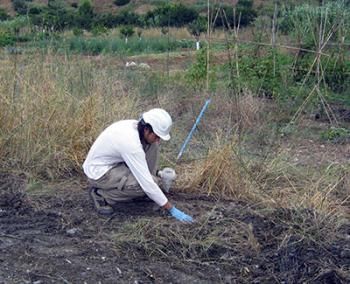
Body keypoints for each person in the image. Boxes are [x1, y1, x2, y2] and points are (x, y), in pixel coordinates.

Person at [83, 108, 193, 223]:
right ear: (146, 129)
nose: (158, 140)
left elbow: (149, 147)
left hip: (115, 164)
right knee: (141, 186)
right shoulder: (131, 145)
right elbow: (146, 184)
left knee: (153, 146)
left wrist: (150, 183)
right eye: (157, 136)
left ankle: (147, 191)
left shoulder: (137, 129)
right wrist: (172, 209)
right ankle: (101, 194)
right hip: (99, 172)